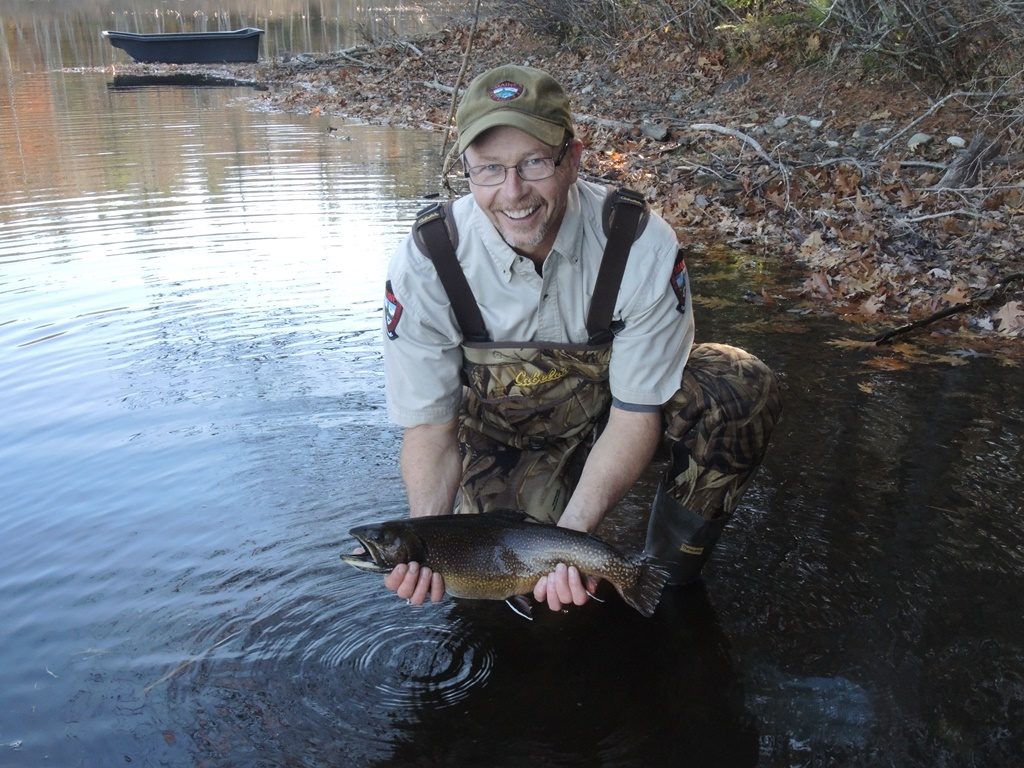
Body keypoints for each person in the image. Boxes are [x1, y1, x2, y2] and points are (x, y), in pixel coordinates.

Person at [381, 63, 782, 613]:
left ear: (573, 158)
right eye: (489, 170)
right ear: (467, 171)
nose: (514, 192)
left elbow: (636, 413)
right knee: (503, 594)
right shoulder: (430, 258)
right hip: (503, 435)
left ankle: (665, 573)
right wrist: (425, 543)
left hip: (612, 418)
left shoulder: (637, 244)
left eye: (534, 163)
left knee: (738, 385)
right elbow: (430, 427)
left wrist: (569, 546)